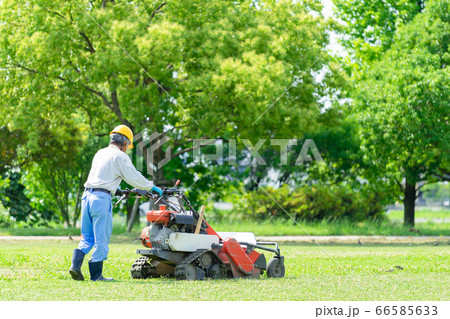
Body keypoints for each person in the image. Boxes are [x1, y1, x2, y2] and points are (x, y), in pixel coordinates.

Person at [69, 125, 163, 281]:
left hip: (87, 197)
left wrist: (116, 189)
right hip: (101, 200)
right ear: (125, 142)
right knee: (102, 238)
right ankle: (97, 276)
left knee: (87, 237)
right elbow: (134, 178)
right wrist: (152, 187)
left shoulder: (100, 153)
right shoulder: (120, 156)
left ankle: (75, 266)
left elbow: (103, 176)